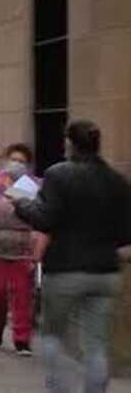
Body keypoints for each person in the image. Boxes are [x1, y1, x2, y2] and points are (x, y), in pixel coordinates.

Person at [14, 120, 131, 392]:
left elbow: (44, 219)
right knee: (96, 344)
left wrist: (21, 204)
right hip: (106, 273)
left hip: (65, 270)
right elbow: (126, 234)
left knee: (52, 336)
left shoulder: (58, 174)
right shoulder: (118, 181)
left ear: (69, 142)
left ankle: (60, 388)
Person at [0, 143, 42, 355]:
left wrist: (36, 249)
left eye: (21, 161)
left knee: (22, 295)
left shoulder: (34, 186)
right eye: (13, 159)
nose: (16, 164)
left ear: (28, 165)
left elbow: (38, 217)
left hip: (22, 250)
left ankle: (21, 339)